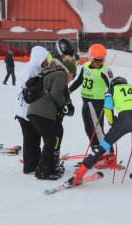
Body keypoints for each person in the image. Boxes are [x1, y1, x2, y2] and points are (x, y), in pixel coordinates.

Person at [27, 59, 77, 180]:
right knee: (50, 141)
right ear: (68, 71)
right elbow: (56, 94)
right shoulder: (61, 74)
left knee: (50, 140)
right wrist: (64, 105)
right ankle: (42, 172)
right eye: (73, 75)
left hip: (36, 111)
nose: (73, 78)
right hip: (42, 113)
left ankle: (49, 169)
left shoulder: (52, 73)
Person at [68, 43, 116, 168]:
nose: (98, 62)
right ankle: (97, 153)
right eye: (96, 60)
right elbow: (79, 81)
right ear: (90, 58)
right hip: (86, 102)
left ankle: (109, 155)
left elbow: (113, 87)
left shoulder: (106, 70)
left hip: (97, 103)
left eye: (101, 60)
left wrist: (112, 104)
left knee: (98, 130)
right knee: (89, 129)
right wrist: (68, 91)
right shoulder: (86, 67)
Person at [15, 46, 50, 175]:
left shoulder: (38, 69)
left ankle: (36, 162)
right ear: (38, 58)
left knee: (36, 138)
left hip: (33, 111)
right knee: (30, 140)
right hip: (24, 112)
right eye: (44, 59)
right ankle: (29, 167)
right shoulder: (29, 70)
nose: (46, 61)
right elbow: (24, 92)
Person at [51, 38, 77, 176]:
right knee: (55, 133)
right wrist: (62, 105)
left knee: (58, 132)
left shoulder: (64, 63)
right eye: (68, 55)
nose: (70, 58)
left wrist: (69, 103)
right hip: (51, 106)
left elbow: (64, 88)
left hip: (57, 105)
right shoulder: (55, 64)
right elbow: (56, 89)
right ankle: (52, 160)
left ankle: (53, 158)